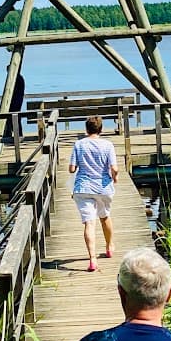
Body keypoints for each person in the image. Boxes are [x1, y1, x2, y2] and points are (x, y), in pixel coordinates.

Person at [69, 114, 118, 272]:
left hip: (83, 188)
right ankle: (109, 247)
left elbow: (72, 168)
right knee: (104, 217)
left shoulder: (79, 145)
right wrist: (115, 178)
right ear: (101, 129)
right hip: (103, 187)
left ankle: (92, 259)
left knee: (89, 223)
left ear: (86, 129)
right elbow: (114, 168)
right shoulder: (108, 145)